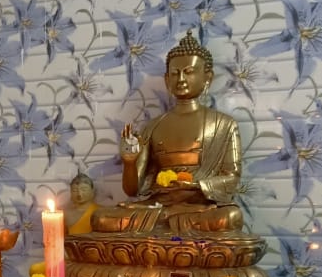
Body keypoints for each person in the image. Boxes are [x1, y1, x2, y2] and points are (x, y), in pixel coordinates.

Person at [91, 30, 245, 235]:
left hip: (199, 208)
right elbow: (132, 190)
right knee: (101, 218)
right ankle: (170, 229)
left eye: (189, 72)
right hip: (157, 208)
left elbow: (231, 178)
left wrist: (196, 185)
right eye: (175, 73)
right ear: (166, 80)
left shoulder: (223, 125)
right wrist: (129, 162)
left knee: (230, 218)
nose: (181, 79)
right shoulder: (153, 126)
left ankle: (168, 231)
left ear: (207, 77)